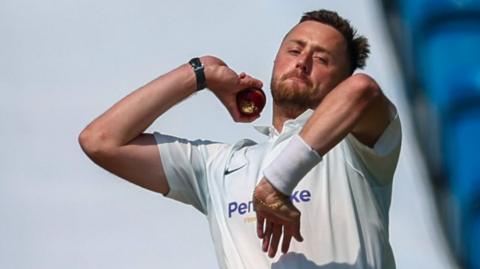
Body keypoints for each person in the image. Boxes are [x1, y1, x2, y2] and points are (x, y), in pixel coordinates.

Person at [79, 9, 401, 269]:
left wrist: (276, 182)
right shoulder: (220, 166)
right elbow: (101, 140)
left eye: (322, 59)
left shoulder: (355, 150)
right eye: (294, 50)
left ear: (339, 82)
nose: (302, 62)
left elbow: (363, 92)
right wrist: (201, 72)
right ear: (276, 61)